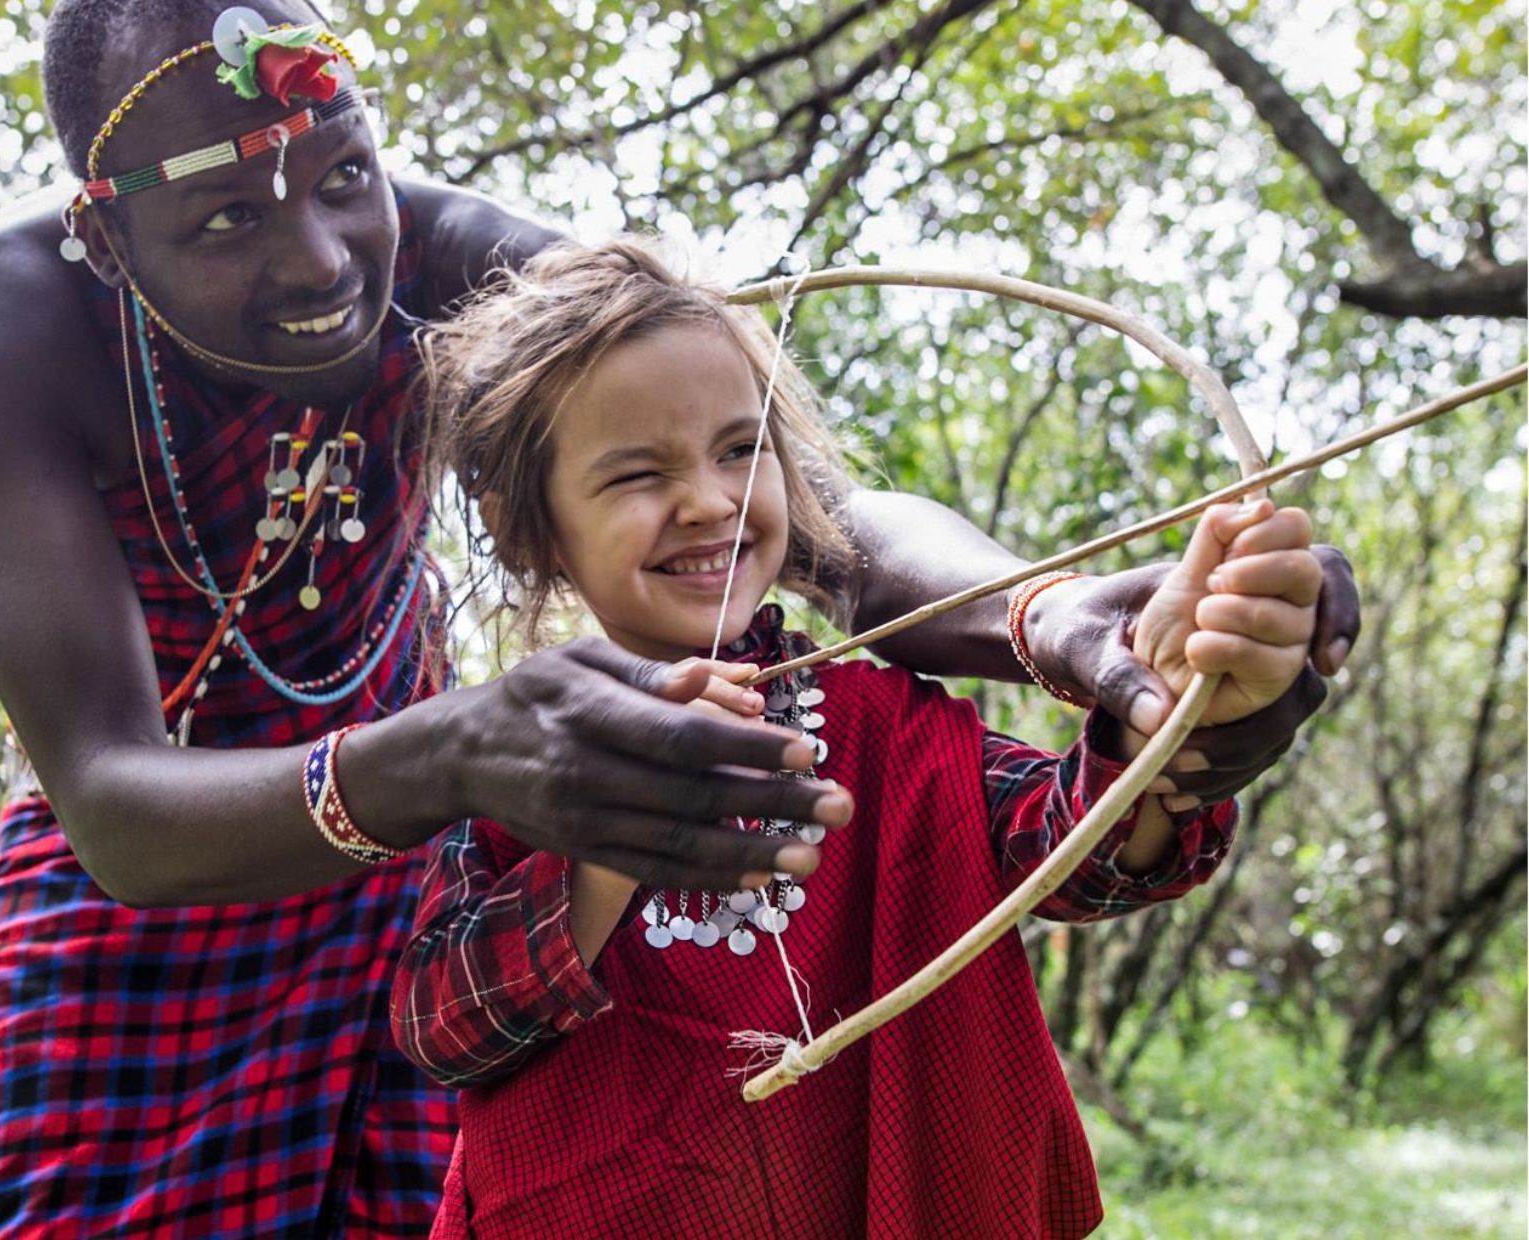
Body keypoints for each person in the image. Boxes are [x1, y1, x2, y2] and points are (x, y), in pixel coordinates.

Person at [0, 1, 1356, 1234]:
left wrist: (1063, 626)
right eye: (224, 217)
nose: (325, 262)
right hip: (181, 871)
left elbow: (806, 503)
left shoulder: (469, 269)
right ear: (105, 231)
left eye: (347, 175)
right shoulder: (0, 325)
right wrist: (463, 762)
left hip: (450, 811)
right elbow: (113, 806)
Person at [390, 239, 1326, 1238]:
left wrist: (1180, 693)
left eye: (740, 449)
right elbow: (443, 1025)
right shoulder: (514, 764)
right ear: (529, 530)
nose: (708, 499)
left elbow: (1076, 853)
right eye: (634, 472)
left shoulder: (880, 722)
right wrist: (611, 839)